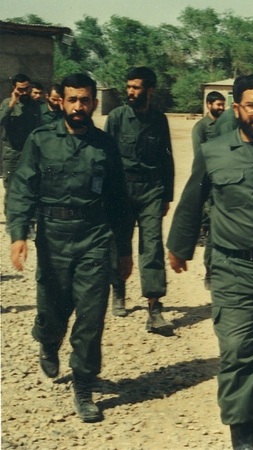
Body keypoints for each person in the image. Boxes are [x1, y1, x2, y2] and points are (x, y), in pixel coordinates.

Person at [167, 73, 253, 450]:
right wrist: (179, 246)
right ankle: (241, 428)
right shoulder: (214, 151)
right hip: (232, 267)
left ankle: (251, 402)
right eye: (251, 106)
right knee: (237, 348)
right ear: (237, 109)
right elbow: (192, 200)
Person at [7, 73, 133, 423]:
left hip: (94, 236)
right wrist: (18, 234)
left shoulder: (105, 145)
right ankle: (48, 340)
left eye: (85, 100)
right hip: (53, 236)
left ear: (94, 103)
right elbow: (22, 188)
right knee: (52, 310)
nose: (79, 106)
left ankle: (83, 385)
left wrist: (124, 250)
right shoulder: (41, 139)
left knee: (91, 317)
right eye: (73, 99)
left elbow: (119, 201)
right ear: (61, 101)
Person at [104, 67, 175, 329]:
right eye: (129, 87)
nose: (131, 92)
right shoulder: (116, 117)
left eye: (136, 87)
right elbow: (105, 156)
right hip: (122, 190)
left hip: (151, 190)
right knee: (119, 242)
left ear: (150, 90)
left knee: (152, 245)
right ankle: (118, 290)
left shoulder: (159, 120)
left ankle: (154, 306)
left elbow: (167, 159)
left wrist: (166, 195)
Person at [191, 91, 226, 288]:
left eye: (223, 104)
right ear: (208, 105)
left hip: (227, 181)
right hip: (210, 181)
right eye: (218, 104)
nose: (221, 108)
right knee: (213, 226)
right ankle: (210, 271)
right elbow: (200, 156)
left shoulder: (227, 125)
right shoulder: (201, 127)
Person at [1, 74, 42, 216]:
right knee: (11, 188)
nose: (24, 92)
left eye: (27, 89)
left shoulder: (35, 106)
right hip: (12, 153)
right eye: (21, 89)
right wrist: (12, 103)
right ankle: (11, 220)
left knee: (29, 187)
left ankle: (27, 218)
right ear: (14, 88)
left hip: (29, 153)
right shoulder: (7, 103)